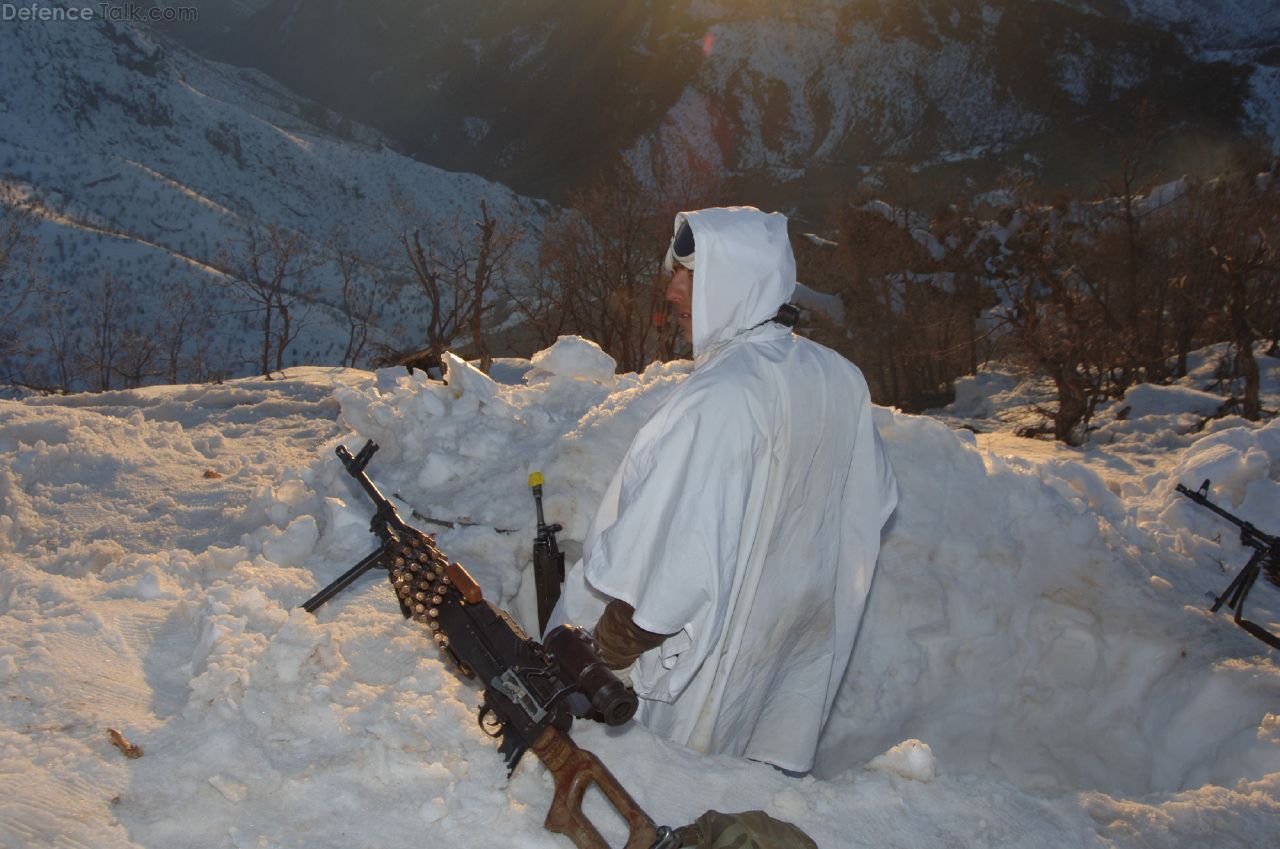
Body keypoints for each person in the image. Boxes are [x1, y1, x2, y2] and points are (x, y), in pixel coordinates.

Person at [546, 206, 897, 773]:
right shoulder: (838, 376)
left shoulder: (721, 395)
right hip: (782, 644)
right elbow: (871, 501)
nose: (675, 292)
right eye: (674, 274)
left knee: (673, 780)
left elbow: (677, 561)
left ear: (738, 282)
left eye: (692, 275)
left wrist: (612, 644)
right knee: (745, 774)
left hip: (701, 658)